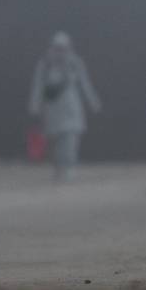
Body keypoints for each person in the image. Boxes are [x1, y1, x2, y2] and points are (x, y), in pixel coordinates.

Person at [28, 32, 101, 181]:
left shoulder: (75, 63)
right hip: (53, 110)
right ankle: (59, 168)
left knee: (71, 140)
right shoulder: (45, 64)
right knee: (55, 142)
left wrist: (93, 101)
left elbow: (84, 83)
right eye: (57, 48)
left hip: (72, 109)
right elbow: (38, 86)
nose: (60, 51)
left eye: (63, 48)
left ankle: (69, 167)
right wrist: (34, 105)